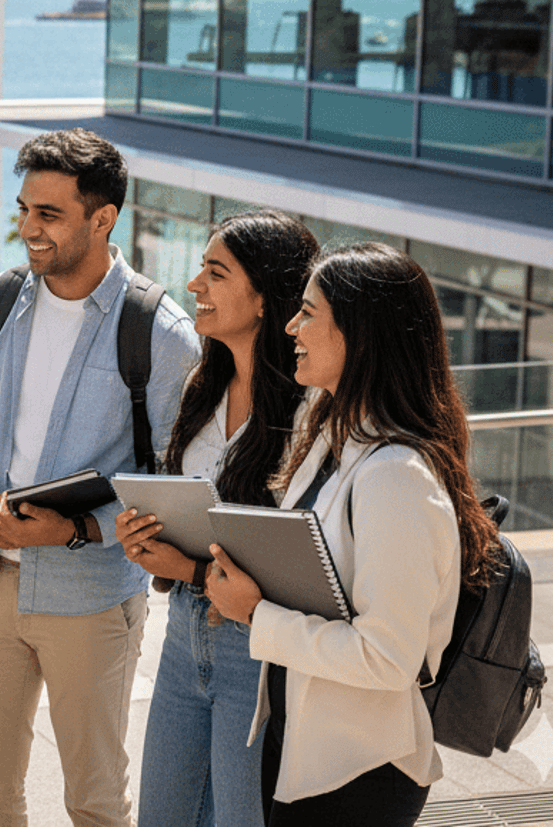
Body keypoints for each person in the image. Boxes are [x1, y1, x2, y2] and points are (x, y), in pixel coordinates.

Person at [0, 128, 201, 827]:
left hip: (91, 596)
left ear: (102, 218)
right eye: (25, 209)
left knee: (95, 800)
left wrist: (80, 529)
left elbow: (174, 480)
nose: (28, 228)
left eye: (48, 214)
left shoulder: (163, 331)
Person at [206, 244, 503, 826]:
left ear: (362, 335)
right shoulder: (330, 438)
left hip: (357, 773)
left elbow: (390, 658)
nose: (290, 325)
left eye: (309, 313)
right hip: (302, 748)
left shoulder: (396, 478)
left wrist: (255, 615)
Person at [113, 210, 317, 827]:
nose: (195, 284)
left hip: (257, 653)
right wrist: (150, 538)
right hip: (182, 637)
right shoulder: (203, 384)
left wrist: (193, 569)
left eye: (216, 271)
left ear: (264, 298)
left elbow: (303, 563)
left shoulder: (310, 412)